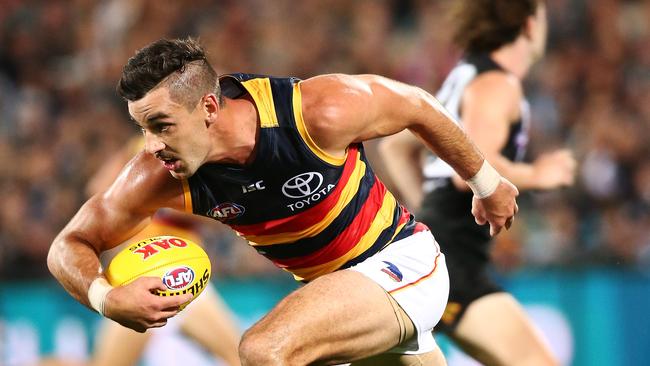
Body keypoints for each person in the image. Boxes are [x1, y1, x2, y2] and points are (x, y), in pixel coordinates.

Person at [47, 37, 518, 365]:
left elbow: (416, 104)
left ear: (209, 108)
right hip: (339, 297)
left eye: (161, 125)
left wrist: (486, 182)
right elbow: (71, 243)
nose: (149, 144)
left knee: (263, 350)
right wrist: (105, 298)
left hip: (400, 262)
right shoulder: (160, 173)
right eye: (141, 128)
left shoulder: (314, 111)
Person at [379, 1, 575, 365]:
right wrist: (538, 175)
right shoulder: (496, 83)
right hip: (457, 259)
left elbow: (395, 146)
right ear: (530, 26)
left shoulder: (463, 78)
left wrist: (425, 214)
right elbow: (466, 171)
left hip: (440, 244)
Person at [86, 136, 242, 366]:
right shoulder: (150, 149)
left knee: (241, 357)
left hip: (180, 275)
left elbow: (219, 214)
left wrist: (156, 203)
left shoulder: (180, 151)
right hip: (151, 273)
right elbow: (98, 190)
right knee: (239, 357)